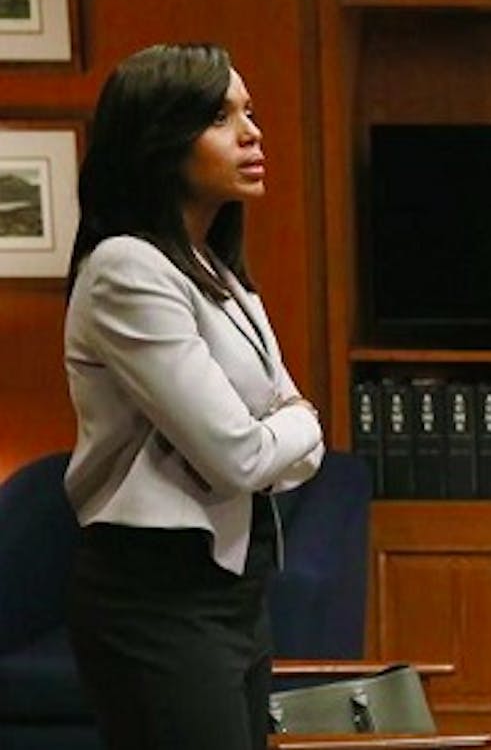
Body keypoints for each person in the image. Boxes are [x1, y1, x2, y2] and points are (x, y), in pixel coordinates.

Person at [61, 43, 325, 750]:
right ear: (160, 140)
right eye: (220, 117)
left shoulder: (216, 270)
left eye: (250, 112)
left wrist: (286, 428)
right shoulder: (126, 269)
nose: (252, 133)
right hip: (154, 597)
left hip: (233, 588)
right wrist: (295, 424)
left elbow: (293, 445)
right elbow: (241, 457)